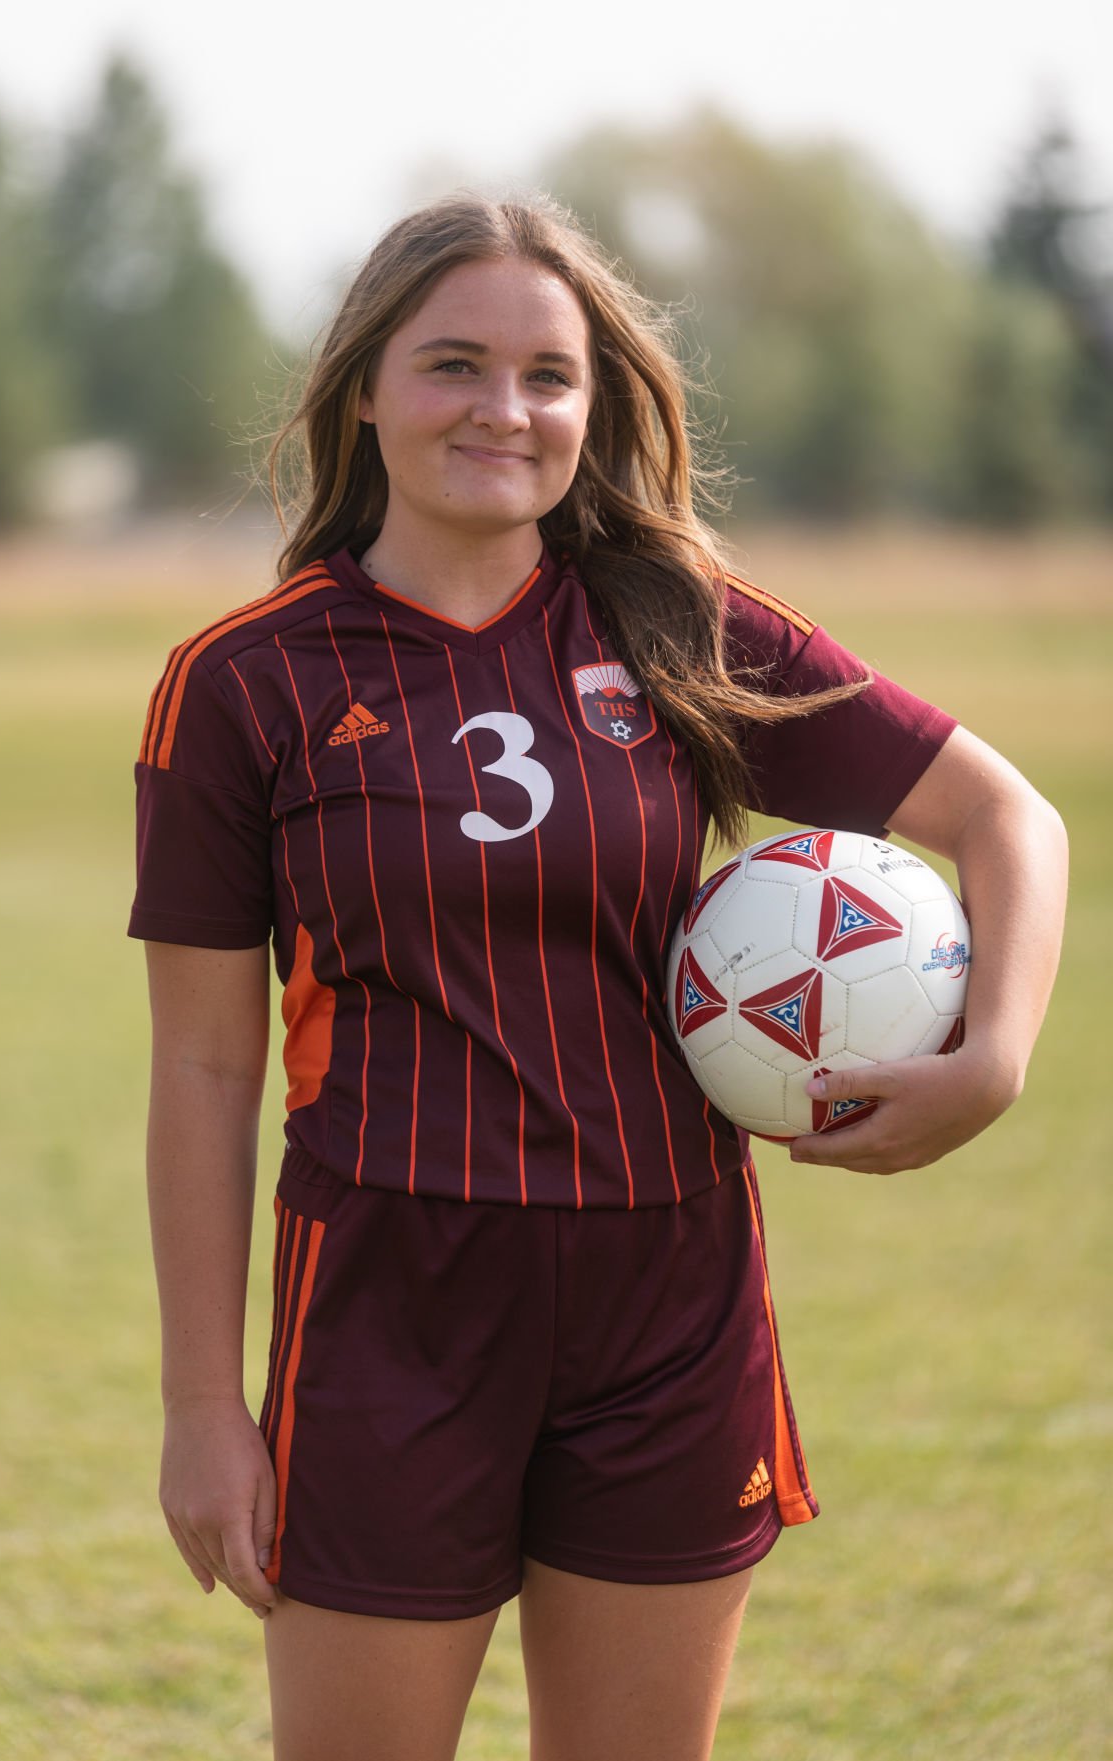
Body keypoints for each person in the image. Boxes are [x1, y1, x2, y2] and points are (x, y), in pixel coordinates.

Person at [128, 191, 1067, 1761]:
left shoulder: (671, 620)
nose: (505, 409)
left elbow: (1003, 817)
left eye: (548, 376)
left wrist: (995, 1054)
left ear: (594, 403)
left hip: (668, 1304)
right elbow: (205, 1068)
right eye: (453, 364)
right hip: (387, 1303)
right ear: (365, 386)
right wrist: (200, 1406)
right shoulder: (244, 685)